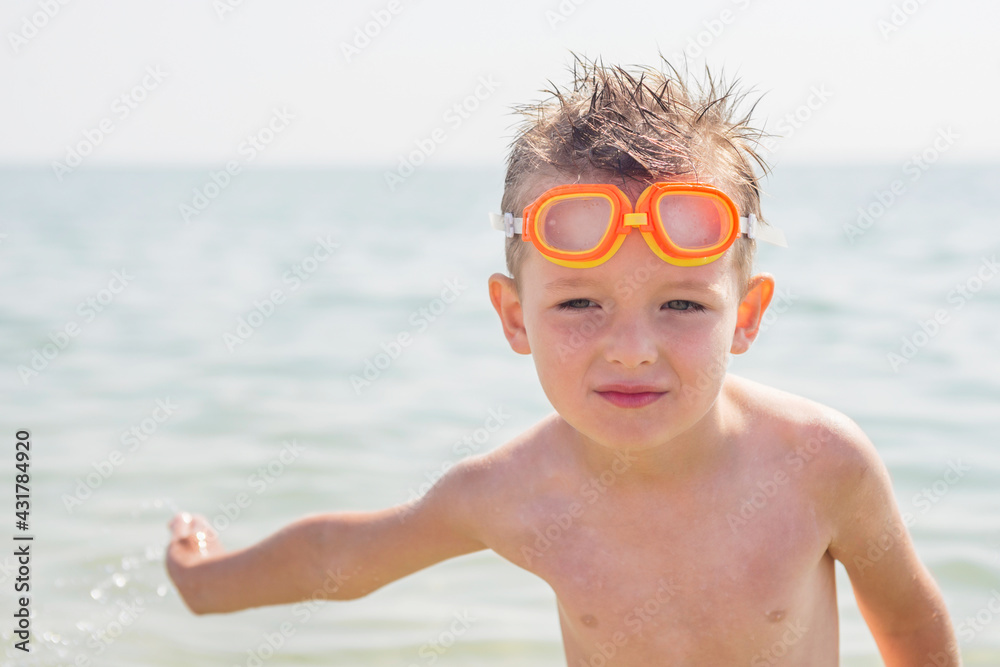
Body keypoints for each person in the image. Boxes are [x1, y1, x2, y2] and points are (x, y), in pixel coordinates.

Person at [167, 55, 960, 665]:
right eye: (580, 304)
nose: (632, 349)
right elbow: (346, 558)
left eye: (682, 304)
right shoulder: (514, 492)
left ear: (745, 317)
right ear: (514, 316)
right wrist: (210, 584)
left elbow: (911, 620)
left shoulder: (821, 463)